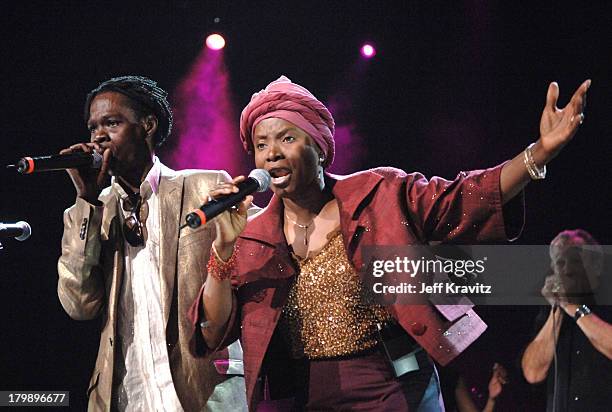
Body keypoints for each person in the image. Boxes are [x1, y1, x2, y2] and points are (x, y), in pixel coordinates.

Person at [192, 75, 590, 410]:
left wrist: (540, 152)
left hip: (389, 385)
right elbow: (212, 330)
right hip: (298, 392)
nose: (271, 154)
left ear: (318, 146)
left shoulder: (379, 194)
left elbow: (463, 197)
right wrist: (222, 250)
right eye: (261, 145)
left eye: (287, 138)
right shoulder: (251, 232)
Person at [57, 76, 247, 411]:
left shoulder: (205, 186)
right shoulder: (90, 213)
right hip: (128, 394)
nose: (98, 136)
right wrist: (87, 200)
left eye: (112, 123)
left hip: (203, 391)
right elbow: (79, 305)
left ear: (147, 125)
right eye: (93, 127)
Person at [521, 229, 612, 411]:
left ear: (596, 266)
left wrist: (573, 308)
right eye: (560, 263)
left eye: (576, 261)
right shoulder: (552, 313)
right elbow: (533, 373)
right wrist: (559, 309)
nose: (567, 269)